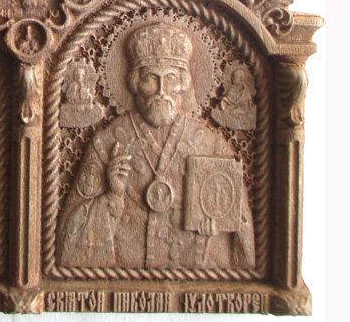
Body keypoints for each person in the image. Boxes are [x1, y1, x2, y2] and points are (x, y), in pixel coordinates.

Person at [57, 22, 254, 270]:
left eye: (170, 79)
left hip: (189, 275)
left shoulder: (210, 145)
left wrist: (216, 229)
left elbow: (243, 244)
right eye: (151, 78)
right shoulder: (107, 144)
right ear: (135, 82)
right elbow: (67, 247)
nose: (162, 91)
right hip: (123, 279)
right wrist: (111, 197)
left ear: (184, 84)